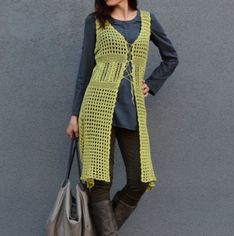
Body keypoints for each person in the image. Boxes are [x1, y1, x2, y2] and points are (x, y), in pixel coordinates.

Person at [67, 0, 179, 235]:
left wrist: (151, 84)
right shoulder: (95, 22)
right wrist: (74, 115)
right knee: (99, 182)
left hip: (132, 109)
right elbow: (84, 71)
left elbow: (171, 58)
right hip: (97, 109)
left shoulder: (147, 20)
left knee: (139, 181)